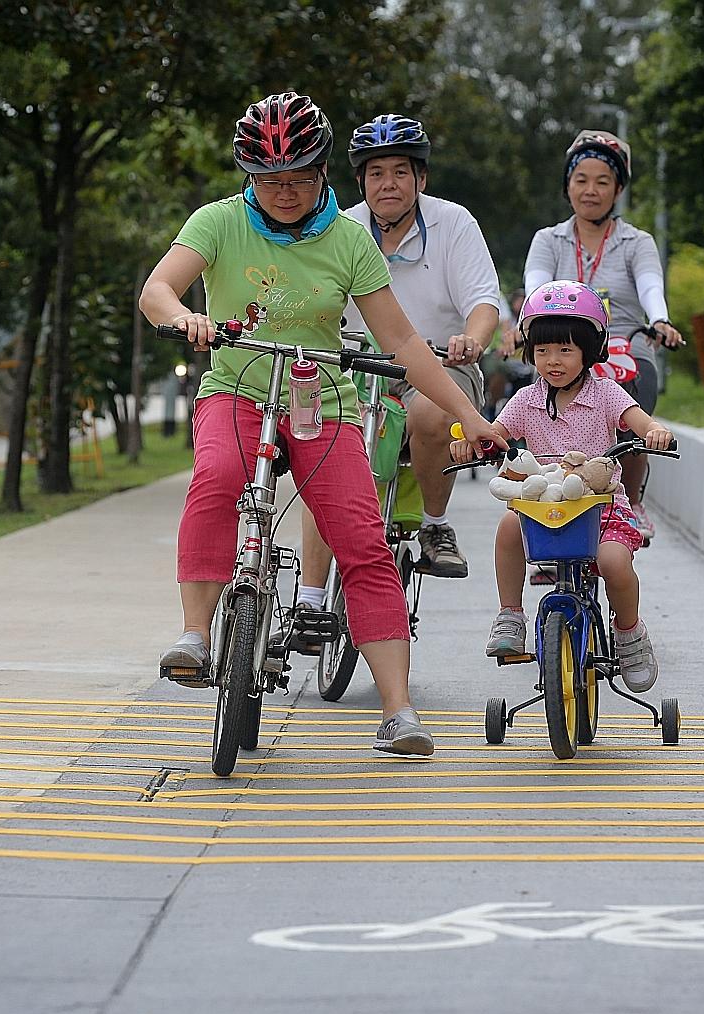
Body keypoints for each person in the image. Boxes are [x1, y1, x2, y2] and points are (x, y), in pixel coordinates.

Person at [138, 92, 502, 755]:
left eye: (300, 176)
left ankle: (398, 712)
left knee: (362, 540)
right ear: (248, 177)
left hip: (320, 399)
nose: (285, 190)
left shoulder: (349, 240)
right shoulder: (217, 223)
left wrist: (470, 416)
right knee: (217, 477)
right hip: (236, 389)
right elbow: (157, 289)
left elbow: (404, 344)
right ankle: (194, 635)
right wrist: (183, 316)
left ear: (323, 169)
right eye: (270, 180)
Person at [292, 113, 501, 592]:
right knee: (318, 447)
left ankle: (434, 525)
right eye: (376, 172)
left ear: (421, 178)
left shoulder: (454, 222)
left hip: (441, 363)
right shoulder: (337, 229)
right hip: (356, 366)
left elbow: (484, 302)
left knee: (431, 414)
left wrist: (472, 338)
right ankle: (310, 595)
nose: (388, 184)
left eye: (401, 172)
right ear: (361, 180)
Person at [449, 281, 674, 692]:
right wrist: (472, 444)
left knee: (613, 563)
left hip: (600, 510)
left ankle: (629, 633)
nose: (552, 361)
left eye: (565, 350)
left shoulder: (607, 393)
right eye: (542, 351)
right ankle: (510, 615)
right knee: (506, 527)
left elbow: (640, 421)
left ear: (590, 351)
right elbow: (494, 434)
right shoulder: (525, 399)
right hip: (544, 510)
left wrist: (655, 431)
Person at [524, 129, 685, 543]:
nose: (590, 191)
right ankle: (547, 502)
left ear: (617, 190)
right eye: (581, 180)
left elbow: (650, 285)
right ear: (567, 186)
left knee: (636, 383)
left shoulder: (637, 242)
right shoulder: (548, 239)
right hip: (569, 349)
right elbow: (536, 285)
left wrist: (660, 319)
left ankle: (630, 501)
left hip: (625, 345)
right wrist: (522, 324)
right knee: (542, 386)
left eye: (602, 182)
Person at [481, 286, 534, 417]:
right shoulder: (511, 321)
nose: (521, 303)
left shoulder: (533, 322)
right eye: (519, 300)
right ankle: (491, 409)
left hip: (520, 365)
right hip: (492, 354)